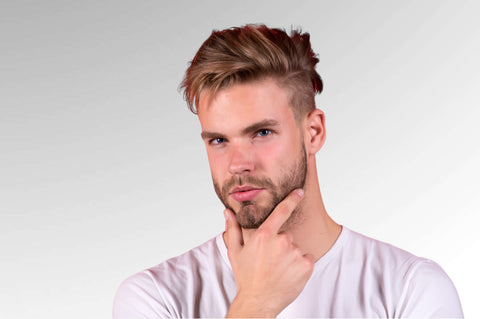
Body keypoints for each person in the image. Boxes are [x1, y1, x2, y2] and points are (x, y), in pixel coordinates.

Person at [113, 24, 463, 318]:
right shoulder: (155, 297)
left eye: (262, 133)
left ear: (314, 133)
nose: (238, 164)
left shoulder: (411, 289)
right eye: (219, 140)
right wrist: (254, 304)